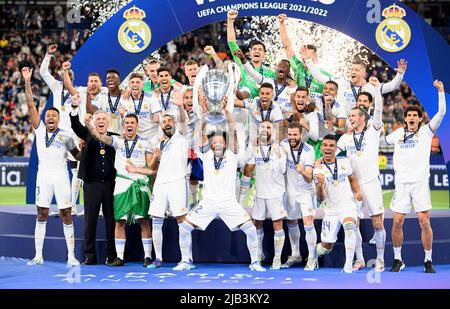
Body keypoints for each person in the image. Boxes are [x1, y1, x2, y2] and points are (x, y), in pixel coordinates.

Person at [174, 109, 265, 272]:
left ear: (225, 143)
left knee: (251, 229)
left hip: (228, 203)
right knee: (184, 227)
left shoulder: (232, 155)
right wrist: (203, 118)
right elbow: (201, 134)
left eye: (220, 142)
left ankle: (255, 262)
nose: (217, 144)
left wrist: (228, 115)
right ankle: (186, 261)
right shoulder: (206, 155)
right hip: (208, 202)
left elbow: (233, 134)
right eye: (214, 142)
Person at [22, 67, 81, 266]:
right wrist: (27, 81)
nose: (50, 118)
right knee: (42, 213)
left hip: (61, 177)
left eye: (54, 115)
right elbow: (30, 105)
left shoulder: (66, 135)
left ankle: (71, 256)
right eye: (48, 115)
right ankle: (38, 255)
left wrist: (86, 147)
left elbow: (78, 156)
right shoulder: (39, 130)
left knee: (66, 214)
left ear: (58, 118)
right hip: (43, 176)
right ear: (45, 118)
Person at [385, 80, 446, 273]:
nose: (412, 118)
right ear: (405, 119)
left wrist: (441, 92)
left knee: (424, 221)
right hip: (401, 184)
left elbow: (442, 113)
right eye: (409, 115)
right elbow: (382, 138)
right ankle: (397, 259)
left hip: (419, 183)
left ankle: (428, 260)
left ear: (420, 119)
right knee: (396, 221)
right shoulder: (397, 134)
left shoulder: (426, 132)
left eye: (415, 115)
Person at [86, 114, 155, 267]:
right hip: (121, 184)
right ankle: (120, 258)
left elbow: (151, 168)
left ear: (137, 125)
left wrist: (155, 157)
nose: (129, 125)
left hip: (140, 184)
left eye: (132, 123)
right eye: (127, 123)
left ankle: (148, 257)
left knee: (143, 221)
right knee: (119, 221)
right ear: (124, 126)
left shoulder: (145, 142)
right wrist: (89, 125)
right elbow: (99, 137)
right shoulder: (118, 141)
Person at [337, 77, 386, 272]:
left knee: (377, 222)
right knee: (353, 223)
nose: (350, 118)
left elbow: (379, 112)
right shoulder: (346, 137)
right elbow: (331, 152)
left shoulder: (373, 132)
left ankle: (380, 259)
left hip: (371, 183)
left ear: (363, 118)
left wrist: (377, 91)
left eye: (354, 115)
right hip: (353, 185)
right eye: (350, 115)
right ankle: (359, 259)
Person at [70, 97, 118, 265]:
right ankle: (90, 255)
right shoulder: (87, 135)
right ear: (93, 122)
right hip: (91, 185)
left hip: (111, 185)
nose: (101, 121)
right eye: (98, 119)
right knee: (90, 220)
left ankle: (111, 255)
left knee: (111, 221)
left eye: (104, 119)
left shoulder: (115, 139)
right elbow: (75, 126)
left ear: (108, 123)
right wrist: (75, 108)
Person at [40, 44, 82, 216]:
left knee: (77, 172)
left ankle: (72, 205)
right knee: (59, 171)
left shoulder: (78, 92)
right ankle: (63, 205)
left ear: (72, 79)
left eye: (70, 76)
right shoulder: (56, 87)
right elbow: (43, 73)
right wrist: (48, 55)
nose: (67, 79)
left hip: (72, 135)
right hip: (57, 135)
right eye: (65, 76)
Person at [147, 107, 190, 269]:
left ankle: (186, 259)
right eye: (164, 121)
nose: (167, 123)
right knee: (156, 220)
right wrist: (155, 157)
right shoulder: (157, 142)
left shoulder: (182, 136)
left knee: (181, 220)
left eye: (170, 120)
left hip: (177, 181)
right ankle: (158, 258)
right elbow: (151, 167)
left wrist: (180, 107)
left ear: (174, 123)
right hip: (160, 183)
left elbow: (184, 122)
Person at [314, 134, 363, 273]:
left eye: (331, 146)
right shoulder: (317, 169)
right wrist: (320, 184)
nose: (328, 148)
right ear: (321, 147)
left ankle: (348, 265)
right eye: (325, 145)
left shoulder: (344, 161)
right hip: (330, 210)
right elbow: (321, 199)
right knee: (325, 248)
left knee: (350, 226)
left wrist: (357, 191)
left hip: (347, 206)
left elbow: (352, 179)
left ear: (336, 148)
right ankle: (313, 254)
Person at [302, 50, 407, 113]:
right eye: (351, 69)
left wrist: (400, 74)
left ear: (364, 74)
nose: (353, 72)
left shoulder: (372, 87)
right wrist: (308, 61)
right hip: (341, 126)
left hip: (362, 127)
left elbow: (392, 86)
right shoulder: (341, 83)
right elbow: (319, 77)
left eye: (356, 70)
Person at [244, 120, 287, 269]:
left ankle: (277, 258)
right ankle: (259, 254)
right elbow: (246, 166)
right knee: (257, 223)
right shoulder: (254, 148)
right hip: (260, 193)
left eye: (268, 127)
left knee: (277, 224)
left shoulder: (279, 149)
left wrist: (279, 157)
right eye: (263, 127)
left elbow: (283, 170)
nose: (265, 129)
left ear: (272, 131)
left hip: (276, 193)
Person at [280, 122, 317, 270]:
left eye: (295, 135)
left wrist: (302, 171)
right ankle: (295, 254)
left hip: (305, 192)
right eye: (290, 134)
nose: (292, 137)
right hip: (289, 191)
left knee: (308, 223)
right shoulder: (282, 145)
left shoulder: (309, 150)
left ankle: (313, 257)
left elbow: (309, 177)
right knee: (291, 223)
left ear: (301, 135)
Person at [278, 14, 331, 98]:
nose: (306, 58)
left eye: (309, 56)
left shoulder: (324, 74)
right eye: (304, 55)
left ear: (316, 58)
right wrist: (281, 24)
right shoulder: (298, 66)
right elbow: (287, 46)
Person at [227, 10, 275, 98]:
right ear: (250, 53)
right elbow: (232, 43)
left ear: (264, 54)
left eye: (260, 50)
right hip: (243, 107)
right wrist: (230, 21)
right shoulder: (241, 64)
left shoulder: (271, 73)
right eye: (254, 49)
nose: (257, 51)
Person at [118, 73, 161, 147]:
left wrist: (157, 117)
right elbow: (122, 123)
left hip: (152, 137)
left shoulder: (151, 97)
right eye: (132, 82)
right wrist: (122, 115)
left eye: (137, 82)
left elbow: (158, 117)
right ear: (129, 84)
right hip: (135, 138)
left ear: (142, 84)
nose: (135, 84)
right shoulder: (124, 99)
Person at [87, 68, 124, 135]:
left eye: (113, 78)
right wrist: (88, 96)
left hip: (121, 137)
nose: (110, 80)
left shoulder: (125, 97)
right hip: (106, 137)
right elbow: (91, 110)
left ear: (119, 81)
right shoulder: (102, 97)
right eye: (108, 78)